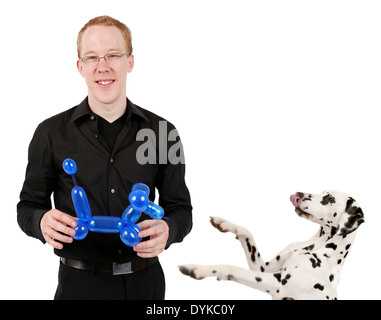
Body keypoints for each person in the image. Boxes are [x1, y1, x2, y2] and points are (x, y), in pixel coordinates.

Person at [17, 15, 192, 300]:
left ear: (130, 62)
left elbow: (181, 209)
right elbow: (27, 206)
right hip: (78, 286)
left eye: (112, 55)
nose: (103, 66)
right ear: (80, 67)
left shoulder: (163, 132)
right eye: (92, 57)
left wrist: (169, 230)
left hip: (145, 285)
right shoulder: (50, 133)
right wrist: (40, 221)